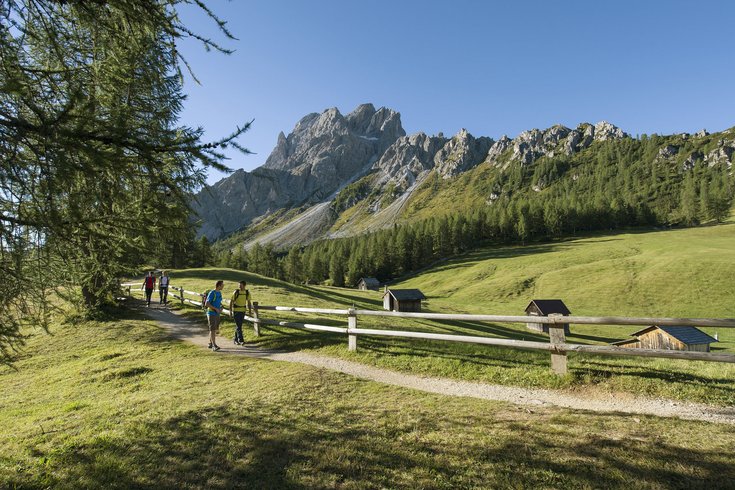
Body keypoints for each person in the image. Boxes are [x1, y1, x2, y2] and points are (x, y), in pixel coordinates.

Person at [229, 280, 252, 345]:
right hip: (236, 311)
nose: (239, 287)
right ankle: (241, 340)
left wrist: (250, 311)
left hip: (243, 311)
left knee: (239, 326)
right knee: (239, 326)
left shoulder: (247, 292)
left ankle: (235, 340)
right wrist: (230, 311)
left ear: (244, 285)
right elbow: (231, 302)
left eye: (241, 285)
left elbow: (249, 302)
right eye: (239, 285)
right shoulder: (236, 292)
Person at [205, 280, 224, 351]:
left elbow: (219, 302)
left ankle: (210, 343)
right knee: (212, 330)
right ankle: (214, 345)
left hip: (217, 314)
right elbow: (207, 304)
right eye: (222, 285)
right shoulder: (212, 293)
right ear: (219, 285)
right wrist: (216, 309)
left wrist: (221, 307)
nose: (223, 286)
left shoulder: (219, 293)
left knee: (215, 329)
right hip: (211, 313)